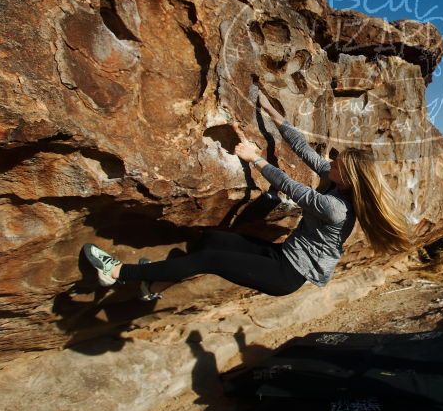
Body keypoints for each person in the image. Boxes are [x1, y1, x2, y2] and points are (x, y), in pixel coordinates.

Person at [82, 90, 412, 297]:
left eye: (337, 163)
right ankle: (155, 285)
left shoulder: (335, 208)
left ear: (350, 177)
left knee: (209, 260)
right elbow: (304, 151)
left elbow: (289, 186)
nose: (330, 162)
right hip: (281, 256)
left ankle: (118, 273)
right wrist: (273, 114)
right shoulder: (337, 180)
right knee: (213, 241)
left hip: (287, 274)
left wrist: (254, 158)